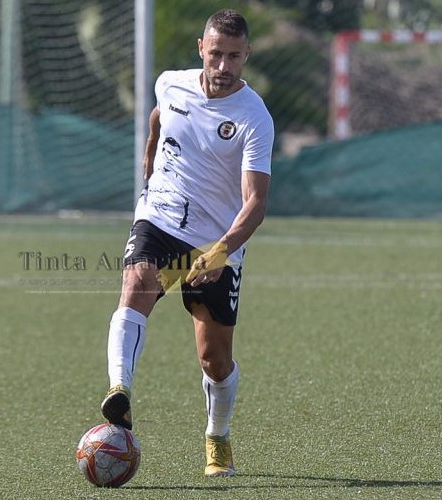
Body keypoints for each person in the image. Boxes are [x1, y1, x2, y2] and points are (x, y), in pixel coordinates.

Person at [100, 8, 274, 477]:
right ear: (201, 47)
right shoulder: (170, 82)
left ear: (246, 56)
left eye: (233, 57)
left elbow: (255, 203)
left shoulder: (254, 117)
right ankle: (121, 392)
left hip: (215, 243)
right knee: (136, 286)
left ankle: (217, 435)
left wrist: (219, 252)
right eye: (215, 54)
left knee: (213, 359)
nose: (222, 66)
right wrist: (150, 150)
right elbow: (161, 115)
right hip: (159, 219)